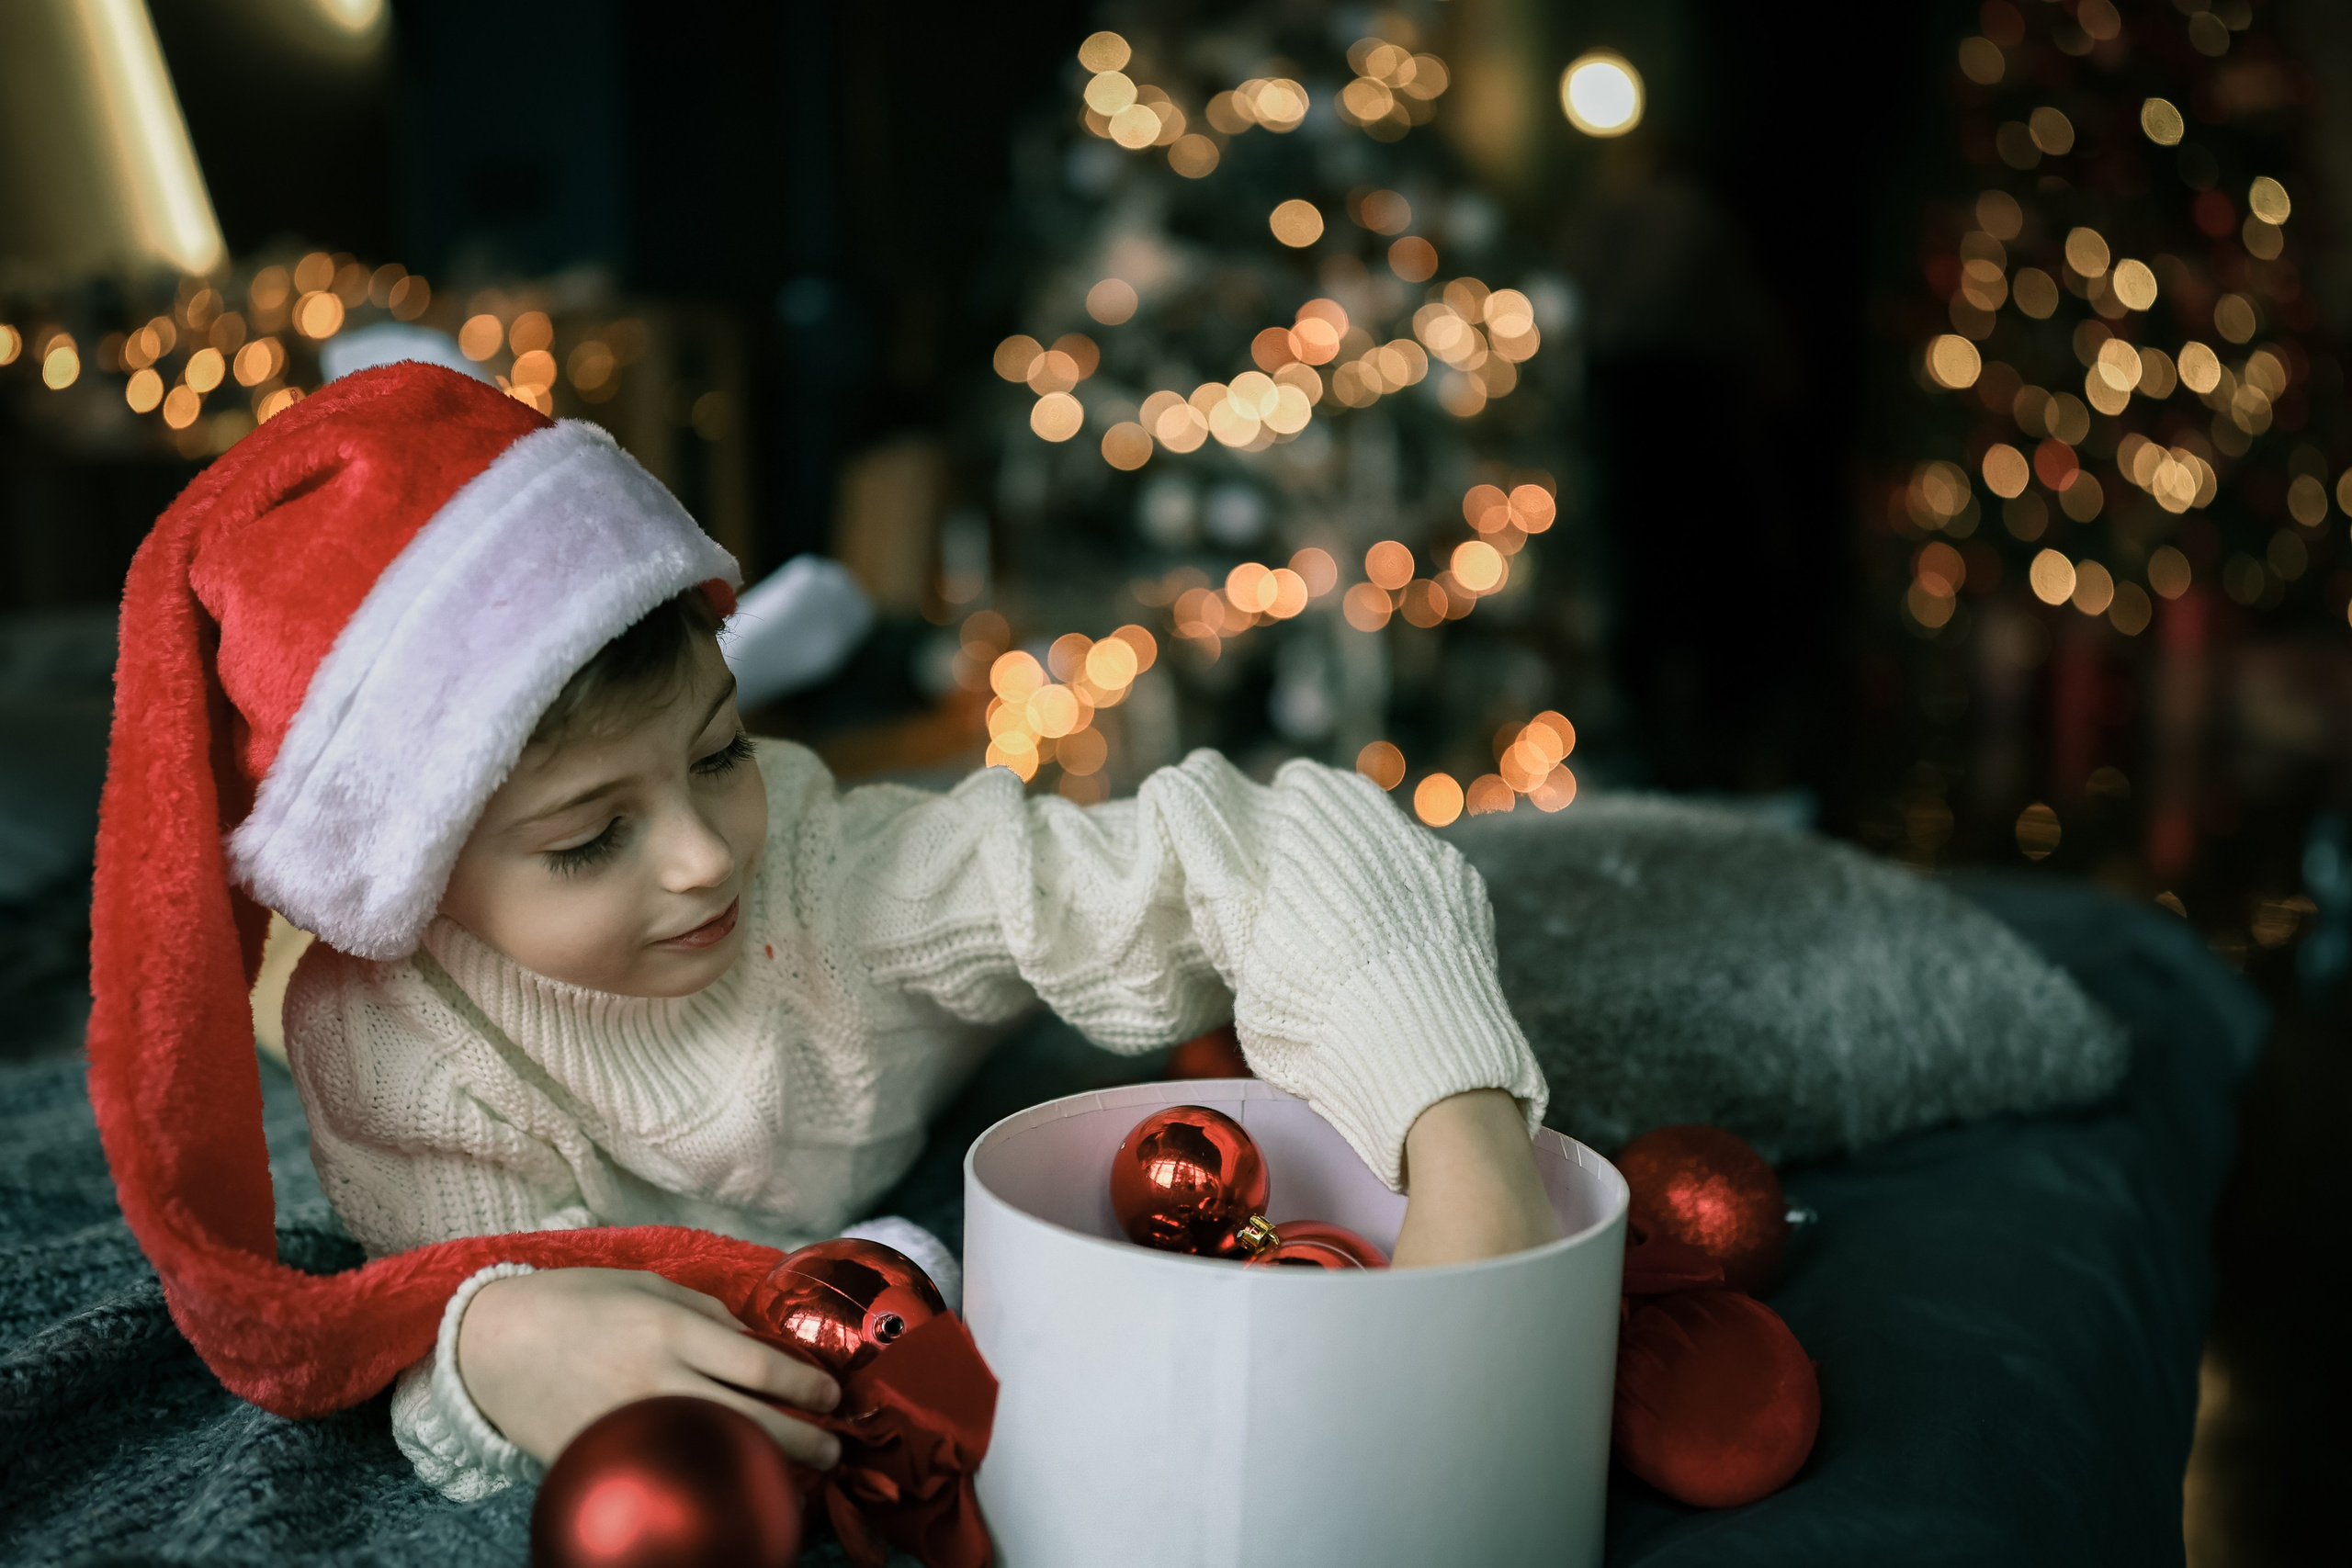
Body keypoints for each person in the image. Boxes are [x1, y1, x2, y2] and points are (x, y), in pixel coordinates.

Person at [86, 363, 1555, 1504]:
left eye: (717, 753)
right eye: (592, 835)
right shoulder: (397, 1046)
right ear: (409, 890)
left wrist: (1469, 1156)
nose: (702, 854)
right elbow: (452, 1308)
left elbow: (1271, 846)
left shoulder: (841, 882)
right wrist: (491, 1346)